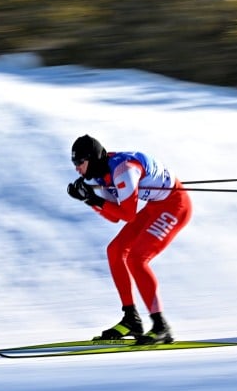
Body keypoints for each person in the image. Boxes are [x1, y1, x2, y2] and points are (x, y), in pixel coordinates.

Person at [66, 134, 192, 345]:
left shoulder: (123, 170)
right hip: (154, 206)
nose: (77, 168)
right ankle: (131, 318)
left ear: (92, 158)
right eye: (74, 163)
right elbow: (114, 217)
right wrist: (89, 200)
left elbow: (128, 215)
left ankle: (161, 326)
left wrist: (94, 199)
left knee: (136, 259)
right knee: (115, 251)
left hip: (175, 204)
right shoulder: (99, 174)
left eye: (80, 162)